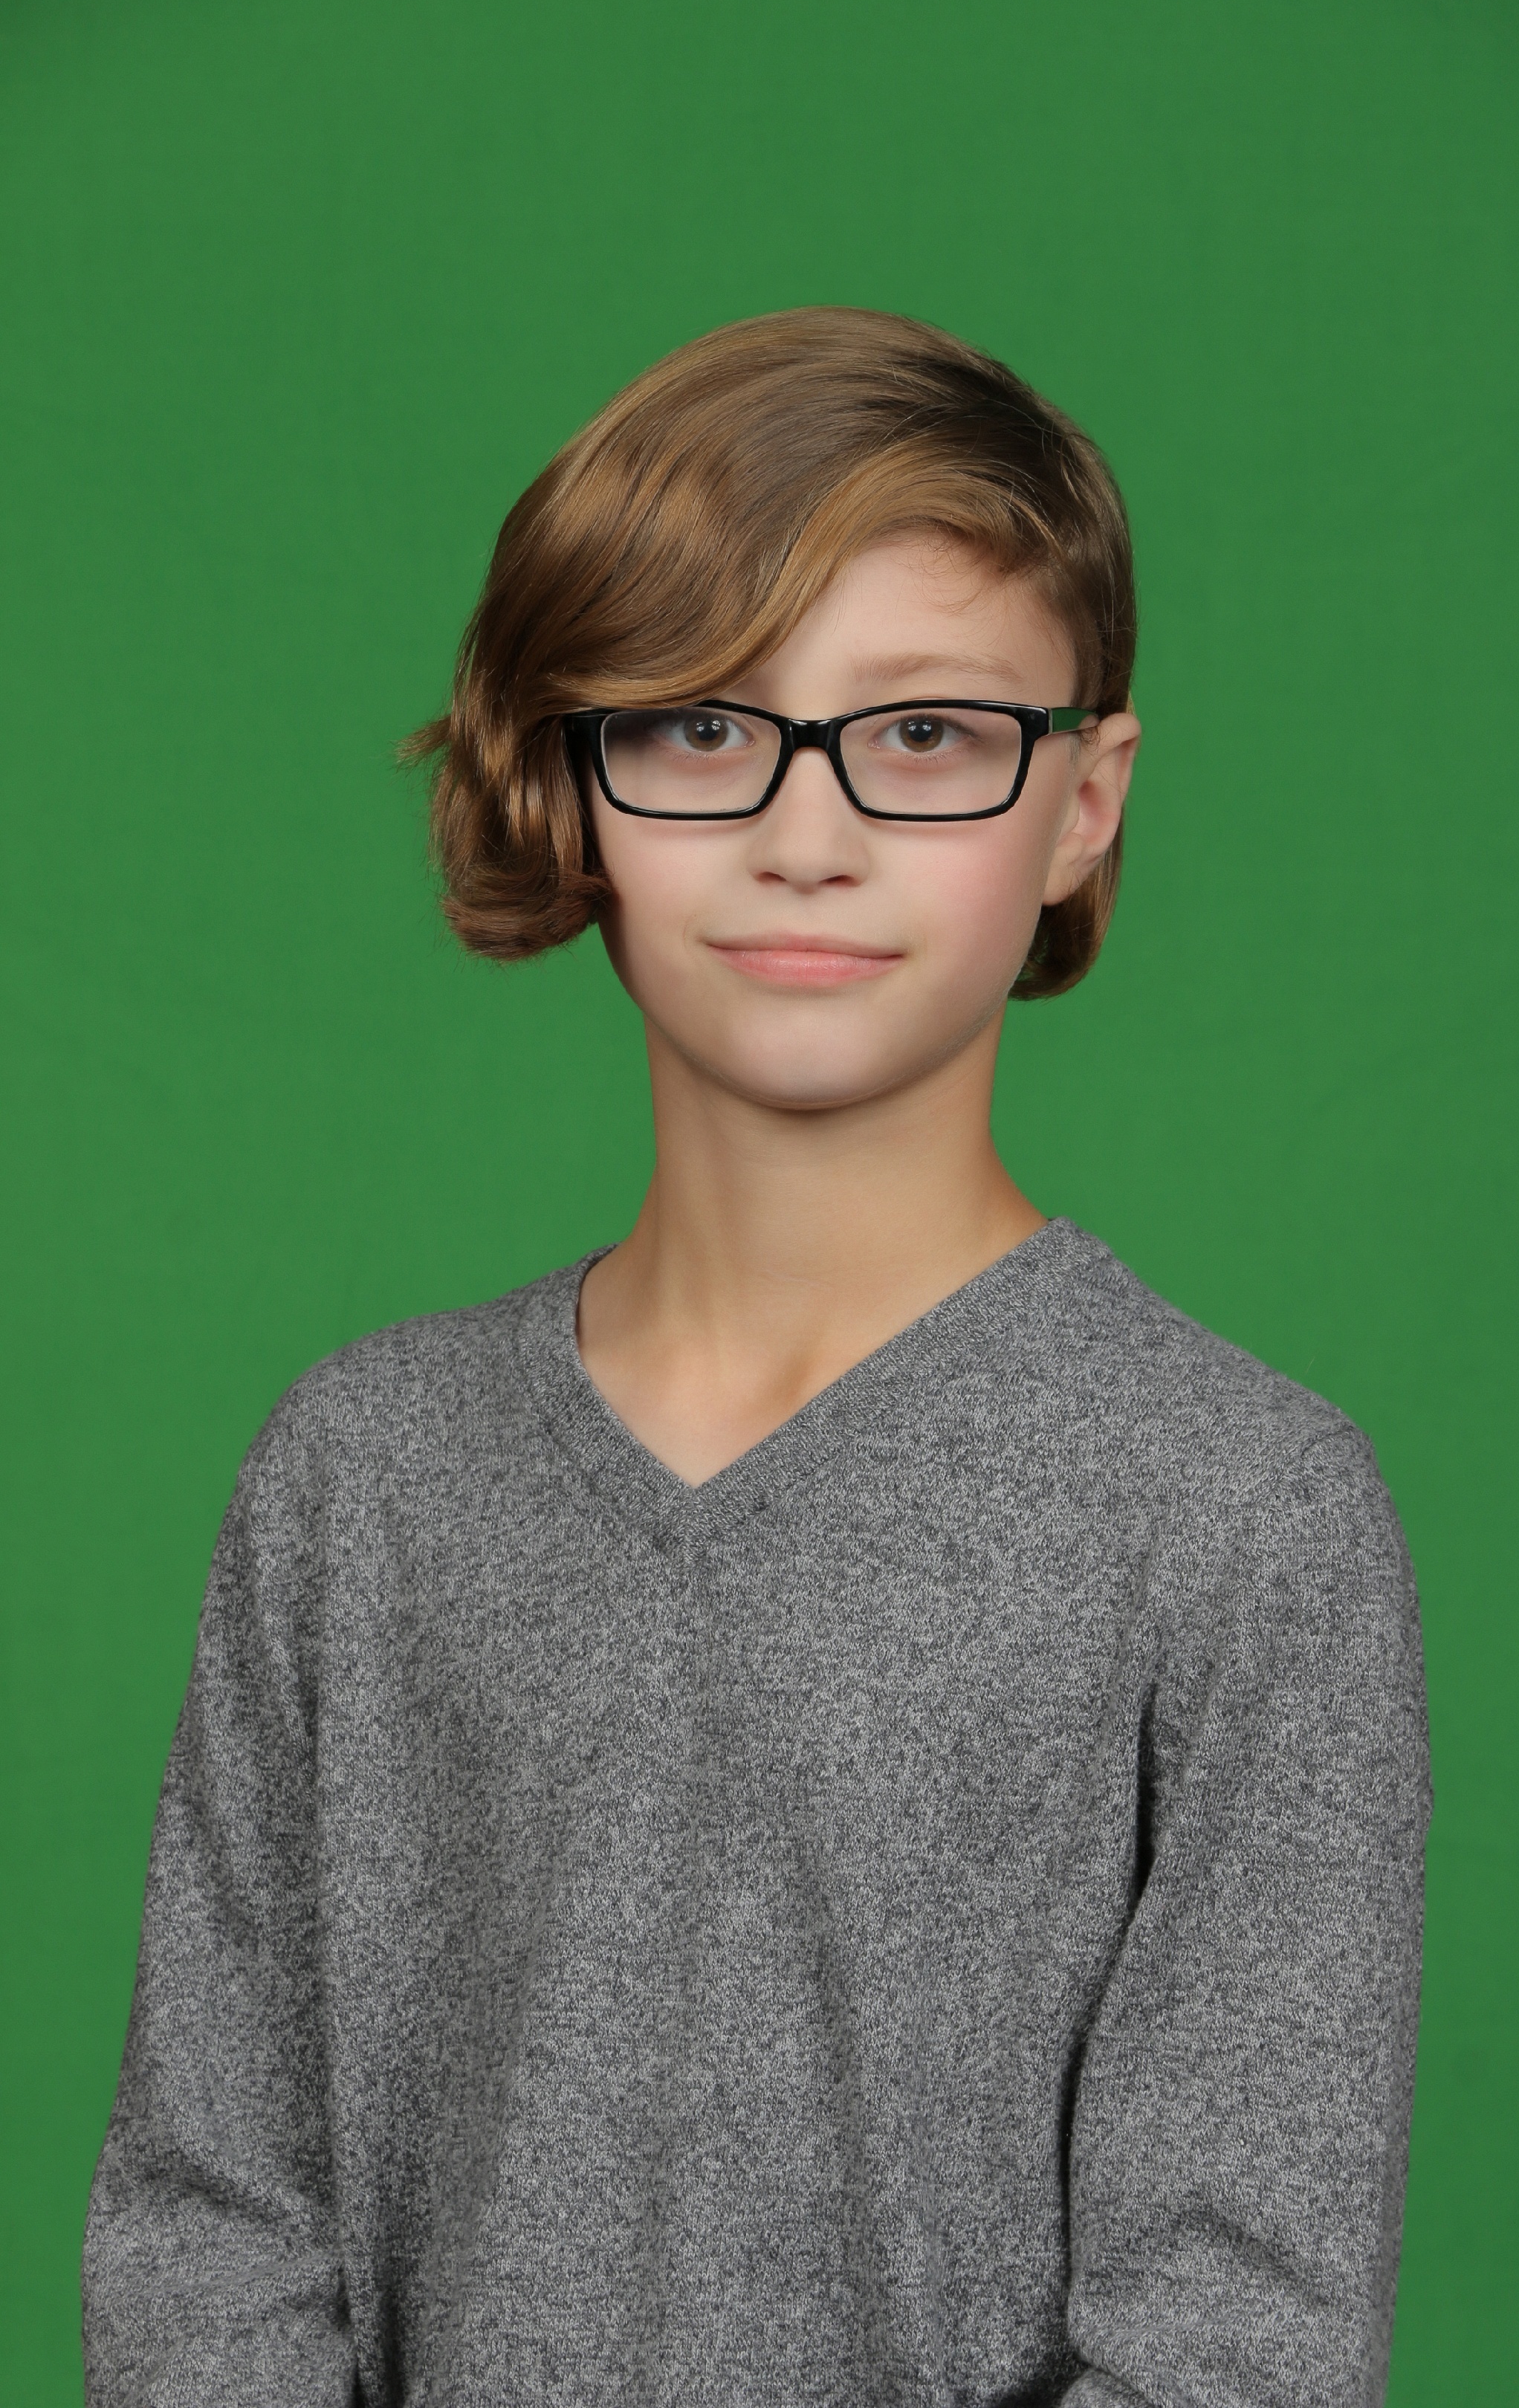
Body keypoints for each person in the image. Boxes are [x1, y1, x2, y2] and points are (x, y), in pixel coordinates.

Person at [83, 308, 1430, 2407]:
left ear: (1084, 800)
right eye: (705, 726)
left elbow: (1233, 2334)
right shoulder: (362, 1469)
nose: (809, 833)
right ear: (572, 777)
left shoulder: (1246, 1513)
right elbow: (209, 2231)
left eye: (927, 733)